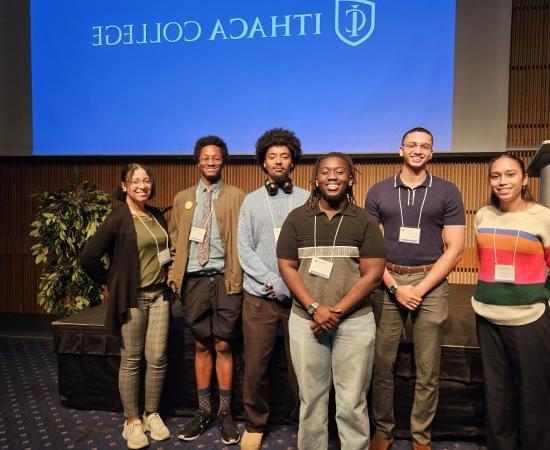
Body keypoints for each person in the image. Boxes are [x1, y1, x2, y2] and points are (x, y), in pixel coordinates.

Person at [277, 152, 386, 450]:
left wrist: (335, 311)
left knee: (352, 400)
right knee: (311, 398)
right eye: (325, 172)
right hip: (305, 321)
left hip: (354, 323)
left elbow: (374, 274)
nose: (333, 177)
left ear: (350, 179)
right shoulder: (297, 218)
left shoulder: (364, 221)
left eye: (340, 172)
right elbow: (286, 266)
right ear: (315, 179)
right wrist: (314, 308)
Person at [365, 127, 465, 450]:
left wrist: (420, 287)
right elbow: (368, 247)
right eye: (412, 145)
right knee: (382, 364)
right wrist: (395, 287)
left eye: (425, 146)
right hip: (387, 281)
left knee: (428, 368)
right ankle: (383, 430)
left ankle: (422, 436)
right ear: (400, 150)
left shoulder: (448, 191)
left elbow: (455, 248)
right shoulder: (379, 191)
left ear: (432, 153)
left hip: (430, 284)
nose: (418, 150)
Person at [80, 163, 171, 450]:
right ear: (124, 186)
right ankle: (132, 421)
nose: (143, 185)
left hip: (159, 297)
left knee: (157, 358)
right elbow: (88, 258)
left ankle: (151, 413)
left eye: (147, 181)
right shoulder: (117, 218)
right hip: (131, 298)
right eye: (136, 181)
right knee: (131, 361)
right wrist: (112, 281)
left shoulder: (155, 215)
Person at [168, 136, 245, 445]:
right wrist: (174, 274)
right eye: (205, 157)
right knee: (202, 345)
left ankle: (225, 413)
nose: (211, 161)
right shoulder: (183, 197)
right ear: (197, 161)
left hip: (226, 280)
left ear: (223, 161)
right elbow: (175, 238)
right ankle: (203, 411)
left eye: (216, 157)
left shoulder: (238, 196)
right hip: (195, 281)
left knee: (224, 345)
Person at [237, 128, 309, 450]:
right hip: (259, 298)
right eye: (272, 157)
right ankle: (255, 423)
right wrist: (272, 281)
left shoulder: (308, 198)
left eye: (284, 156)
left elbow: (310, 247)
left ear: (292, 161)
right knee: (255, 365)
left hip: (298, 298)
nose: (278, 161)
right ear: (263, 163)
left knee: (302, 367)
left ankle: (305, 424)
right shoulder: (250, 202)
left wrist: (289, 285)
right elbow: (244, 249)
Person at [472, 154, 550, 450]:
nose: (502, 182)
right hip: (487, 316)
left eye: (510, 175)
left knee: (535, 396)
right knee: (497, 395)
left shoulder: (543, 217)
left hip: (530, 318)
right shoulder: (483, 216)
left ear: (525, 179)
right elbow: (486, 262)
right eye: (495, 176)